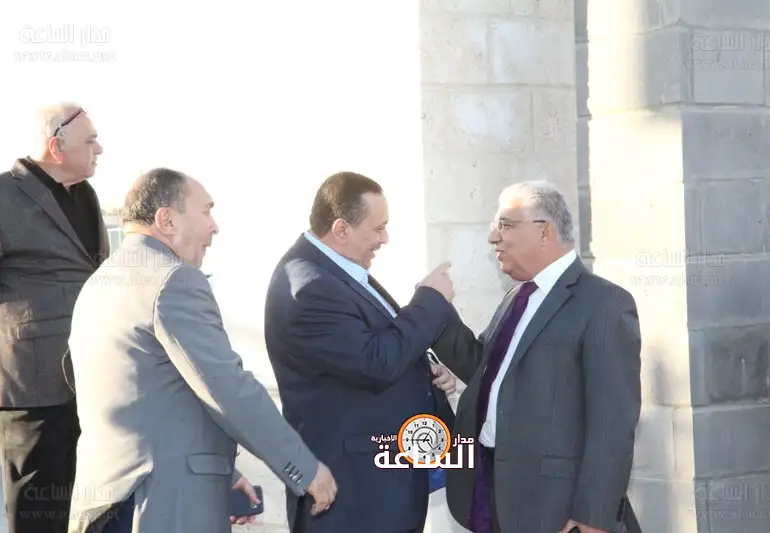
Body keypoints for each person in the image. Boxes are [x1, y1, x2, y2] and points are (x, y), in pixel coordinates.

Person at [66, 168, 337, 533]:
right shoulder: (174, 280)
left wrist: (223, 472)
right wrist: (304, 468)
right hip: (159, 504)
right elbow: (228, 388)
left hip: (111, 502)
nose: (214, 227)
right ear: (167, 220)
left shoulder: (99, 282)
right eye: (206, 211)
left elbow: (149, 393)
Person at [431, 180, 643, 533]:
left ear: (544, 231)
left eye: (505, 225)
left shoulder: (604, 303)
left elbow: (613, 422)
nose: (493, 237)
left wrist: (594, 516)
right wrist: (435, 311)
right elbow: (486, 368)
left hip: (556, 509)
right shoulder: (517, 297)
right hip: (495, 495)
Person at [264, 171, 459, 533]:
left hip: (381, 491)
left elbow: (371, 344)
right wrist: (430, 300)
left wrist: (427, 369)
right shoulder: (310, 286)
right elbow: (375, 363)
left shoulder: (336, 273)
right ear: (341, 229)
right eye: (378, 228)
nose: (385, 239)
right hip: (356, 499)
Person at [0, 102, 106, 533]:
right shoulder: (4, 195)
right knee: (37, 510)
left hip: (90, 378)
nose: (100, 148)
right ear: (57, 147)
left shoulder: (86, 195)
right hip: (33, 384)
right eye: (91, 140)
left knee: (83, 504)